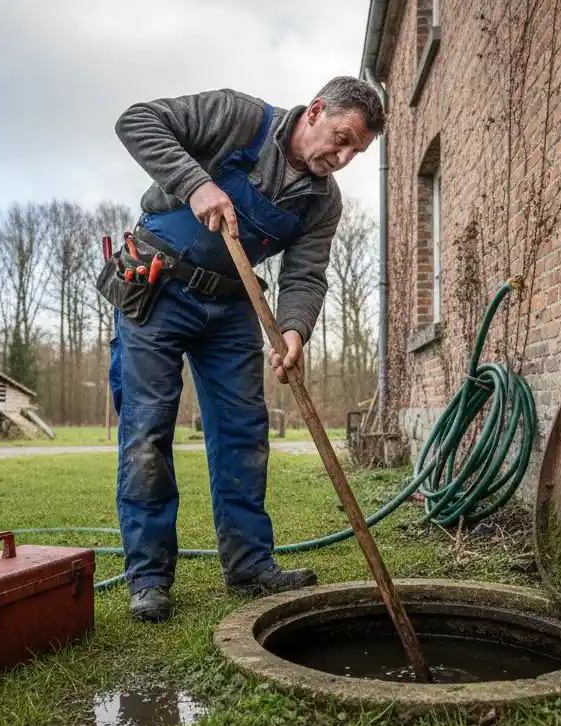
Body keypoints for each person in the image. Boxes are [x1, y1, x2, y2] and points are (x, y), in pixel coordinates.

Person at [107, 76, 384, 622]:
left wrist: (293, 332)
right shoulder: (239, 118)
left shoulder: (322, 201)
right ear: (316, 111)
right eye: (342, 137)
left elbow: (306, 276)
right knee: (148, 430)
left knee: (244, 432)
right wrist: (196, 184)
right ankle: (150, 578)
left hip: (233, 302)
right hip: (158, 285)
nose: (344, 156)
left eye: (357, 150)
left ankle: (249, 562)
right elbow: (135, 121)